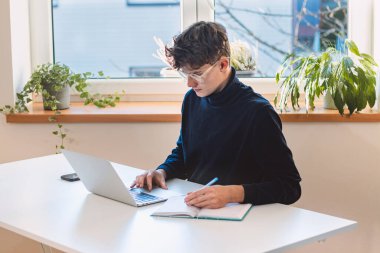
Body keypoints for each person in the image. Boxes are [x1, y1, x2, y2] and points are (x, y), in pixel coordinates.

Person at [131, 21, 301, 209]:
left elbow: (289, 186)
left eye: (197, 74)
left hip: (239, 218)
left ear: (223, 64)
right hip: (194, 208)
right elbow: (184, 153)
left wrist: (232, 193)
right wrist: (162, 171)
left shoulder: (257, 112)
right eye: (184, 74)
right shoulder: (192, 100)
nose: (189, 83)